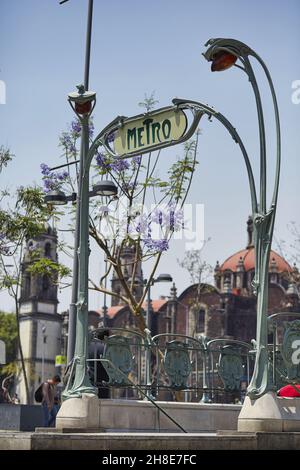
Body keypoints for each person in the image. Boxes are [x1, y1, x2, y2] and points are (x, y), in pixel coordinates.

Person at [88, 329, 110, 398]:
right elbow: (108, 364)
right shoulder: (103, 348)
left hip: (90, 380)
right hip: (101, 382)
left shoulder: (89, 346)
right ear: (105, 337)